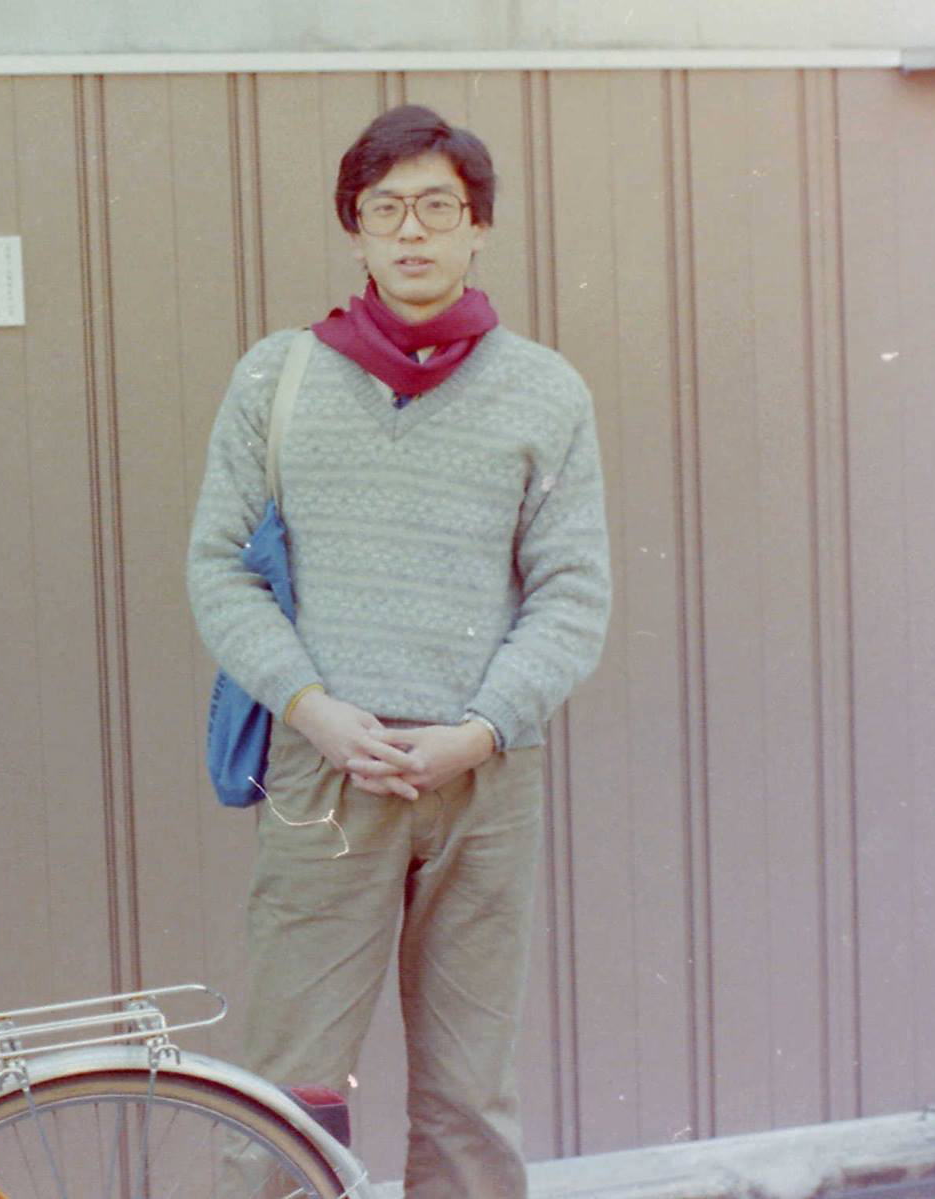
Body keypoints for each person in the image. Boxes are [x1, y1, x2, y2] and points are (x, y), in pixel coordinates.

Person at [185, 103, 612, 1198]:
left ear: (478, 226)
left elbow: (572, 594)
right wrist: (312, 708)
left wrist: (479, 731)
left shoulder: (544, 390)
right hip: (324, 772)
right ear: (355, 228)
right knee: (287, 1092)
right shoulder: (277, 378)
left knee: (470, 1097)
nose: (411, 231)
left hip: (482, 779)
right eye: (386, 210)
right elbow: (220, 568)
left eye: (436, 208)